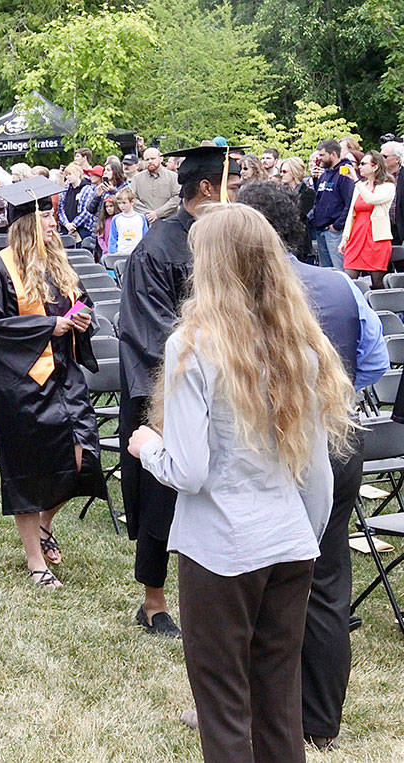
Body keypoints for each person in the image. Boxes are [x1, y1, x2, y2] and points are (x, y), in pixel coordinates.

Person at [127, 203, 355, 762]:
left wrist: (145, 446)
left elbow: (188, 469)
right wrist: (306, 535)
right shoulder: (299, 345)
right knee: (279, 703)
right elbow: (317, 473)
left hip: (222, 553)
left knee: (224, 708)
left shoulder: (193, 346)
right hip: (289, 542)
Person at [236, 181, 386, 750]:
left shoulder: (243, 296)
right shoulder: (343, 286)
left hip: (274, 452)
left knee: (254, 585)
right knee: (326, 583)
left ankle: (256, 715)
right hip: (339, 442)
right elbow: (372, 363)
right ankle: (320, 722)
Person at [118, 145, 241, 636]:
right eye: (231, 185)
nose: (237, 194)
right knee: (162, 495)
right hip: (165, 392)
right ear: (208, 188)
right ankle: (153, 601)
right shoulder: (158, 249)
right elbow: (151, 335)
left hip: (224, 388)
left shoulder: (223, 241)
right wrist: (202, 375)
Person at [0, 177, 107, 588]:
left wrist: (83, 318)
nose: (54, 221)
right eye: (47, 215)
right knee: (29, 473)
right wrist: (50, 325)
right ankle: (36, 562)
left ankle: (46, 523)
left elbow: (83, 301)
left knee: (84, 457)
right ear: (27, 223)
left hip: (65, 377)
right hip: (23, 385)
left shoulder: (59, 262)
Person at [340, 150, 396, 288]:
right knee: (349, 278)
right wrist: (345, 237)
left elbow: (371, 199)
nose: (360, 167)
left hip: (376, 239)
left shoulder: (388, 186)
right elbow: (351, 214)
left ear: (375, 167)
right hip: (357, 236)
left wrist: (356, 180)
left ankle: (380, 308)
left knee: (377, 282)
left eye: (364, 164)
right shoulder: (360, 186)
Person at [310, 138, 357, 270]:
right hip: (321, 229)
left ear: (333, 155)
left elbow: (350, 202)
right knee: (325, 271)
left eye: (322, 155)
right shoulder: (324, 174)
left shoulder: (344, 174)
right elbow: (318, 199)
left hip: (335, 232)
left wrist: (337, 225)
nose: (319, 159)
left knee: (339, 270)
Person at [279, 157, 316, 262]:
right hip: (284, 241)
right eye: (280, 171)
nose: (282, 174)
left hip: (300, 242)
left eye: (285, 171)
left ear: (294, 172)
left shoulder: (308, 193)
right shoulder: (279, 192)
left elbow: (298, 213)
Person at [131, 147, 180, 222]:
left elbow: (177, 198)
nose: (150, 161)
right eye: (147, 159)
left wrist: (158, 213)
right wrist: (148, 214)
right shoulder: (137, 179)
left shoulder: (173, 177)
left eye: (153, 158)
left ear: (161, 159)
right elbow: (132, 198)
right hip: (144, 223)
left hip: (168, 223)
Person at [107, 187, 148, 256]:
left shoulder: (141, 218)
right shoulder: (116, 219)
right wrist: (113, 253)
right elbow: (113, 238)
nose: (121, 206)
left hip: (137, 255)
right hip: (121, 253)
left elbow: (146, 237)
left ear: (132, 202)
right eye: (119, 203)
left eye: (124, 203)